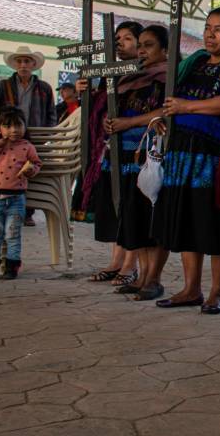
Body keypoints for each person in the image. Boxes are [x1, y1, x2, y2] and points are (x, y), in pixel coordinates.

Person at [152, 7, 220, 315]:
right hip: (182, 150)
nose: (211, 34)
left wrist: (185, 106)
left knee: (212, 223)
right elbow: (171, 100)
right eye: (209, 27)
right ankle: (190, 288)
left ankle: (217, 292)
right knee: (186, 220)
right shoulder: (194, 62)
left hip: (214, 155)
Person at [104, 25, 168, 301]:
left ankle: (153, 278)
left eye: (149, 45)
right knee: (134, 216)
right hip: (128, 152)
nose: (142, 50)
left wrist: (129, 121)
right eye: (140, 45)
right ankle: (141, 275)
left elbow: (166, 111)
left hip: (151, 153)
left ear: (165, 49)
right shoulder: (130, 77)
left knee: (150, 217)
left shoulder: (169, 76)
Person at [81, 21, 143, 285]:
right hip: (112, 147)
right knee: (117, 206)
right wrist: (87, 93)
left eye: (128, 38)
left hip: (138, 149)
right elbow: (100, 105)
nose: (120, 43)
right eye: (117, 38)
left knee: (132, 208)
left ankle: (131, 265)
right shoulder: (112, 73)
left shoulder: (148, 72)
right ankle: (116, 261)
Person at [0, 45, 55, 226]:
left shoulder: (44, 88)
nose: (23, 64)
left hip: (35, 137)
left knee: (29, 172)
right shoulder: (3, 86)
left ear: (34, 64)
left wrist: (46, 135)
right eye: (19, 61)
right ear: (15, 64)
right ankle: (6, 210)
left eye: (27, 61)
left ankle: (27, 213)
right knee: (9, 172)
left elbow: (51, 114)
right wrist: (2, 131)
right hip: (10, 136)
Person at [0, 107, 41, 280]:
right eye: (8, 126)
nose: (14, 130)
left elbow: (36, 164)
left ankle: (12, 266)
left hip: (16, 198)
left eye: (18, 125)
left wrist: (31, 171)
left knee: (13, 234)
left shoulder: (27, 146)